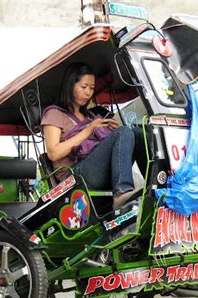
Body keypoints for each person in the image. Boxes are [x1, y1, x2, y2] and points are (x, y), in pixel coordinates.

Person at [41, 63, 139, 210]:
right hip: (76, 176)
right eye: (84, 87)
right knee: (123, 132)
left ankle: (156, 183)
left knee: (138, 133)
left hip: (98, 168)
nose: (88, 92)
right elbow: (53, 153)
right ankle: (121, 193)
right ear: (71, 86)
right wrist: (89, 129)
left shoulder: (91, 115)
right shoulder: (54, 114)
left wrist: (111, 131)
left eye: (91, 88)